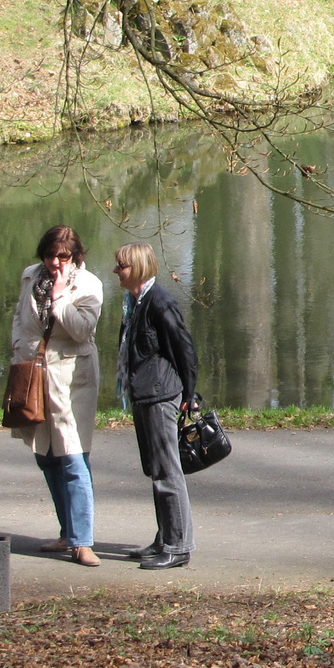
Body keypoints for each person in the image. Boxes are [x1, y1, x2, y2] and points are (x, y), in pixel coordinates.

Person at [11, 225, 104, 567]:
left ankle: (83, 541)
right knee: (45, 455)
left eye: (62, 256)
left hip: (71, 377)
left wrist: (61, 295)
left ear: (75, 255)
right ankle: (67, 532)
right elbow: (20, 318)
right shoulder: (30, 277)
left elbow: (82, 330)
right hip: (34, 373)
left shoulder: (89, 284)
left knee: (73, 455)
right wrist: (18, 352)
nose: (54, 262)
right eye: (50, 255)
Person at [114, 242, 197, 570]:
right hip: (144, 394)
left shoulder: (159, 303)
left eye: (121, 265)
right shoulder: (135, 302)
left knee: (167, 471)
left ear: (136, 267)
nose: (116, 271)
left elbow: (184, 348)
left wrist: (189, 394)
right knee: (156, 470)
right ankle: (165, 538)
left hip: (161, 396)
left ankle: (178, 546)